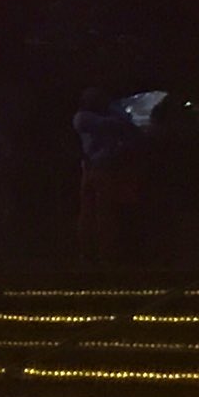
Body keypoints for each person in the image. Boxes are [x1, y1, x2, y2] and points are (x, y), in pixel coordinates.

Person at [72, 88, 141, 265]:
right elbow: (120, 125)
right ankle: (96, 252)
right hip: (97, 168)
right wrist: (115, 108)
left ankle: (101, 251)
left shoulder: (92, 118)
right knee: (97, 211)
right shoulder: (83, 118)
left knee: (103, 211)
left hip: (101, 167)